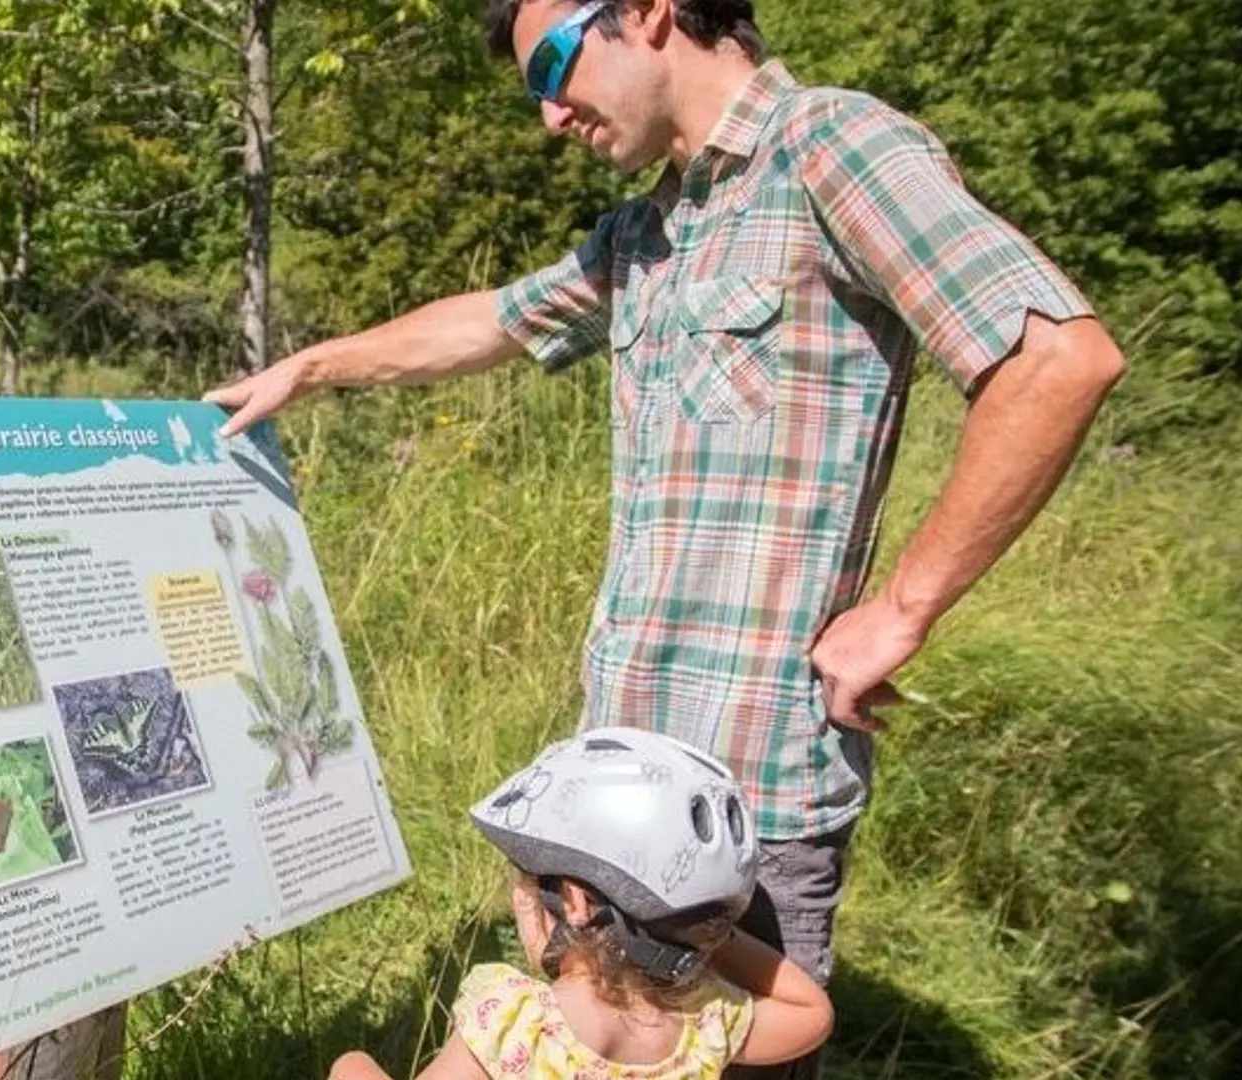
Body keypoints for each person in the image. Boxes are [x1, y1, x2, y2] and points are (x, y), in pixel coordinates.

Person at [205, 2, 1127, 1076]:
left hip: (747, 811)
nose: (549, 114)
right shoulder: (647, 232)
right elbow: (491, 321)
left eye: (552, 65)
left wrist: (903, 608)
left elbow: (1058, 358)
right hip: (609, 810)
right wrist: (313, 367)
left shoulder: (831, 149)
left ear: (646, 13)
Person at [330, 729, 834, 1080]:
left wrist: (350, 1065)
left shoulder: (516, 1021)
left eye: (528, 884)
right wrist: (705, 931)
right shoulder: (703, 1026)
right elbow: (812, 1014)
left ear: (574, 900)